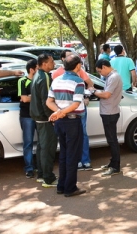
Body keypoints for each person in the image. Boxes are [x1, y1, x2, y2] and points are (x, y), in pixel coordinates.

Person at [46, 54, 87, 197]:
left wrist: (59, 112)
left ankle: (61, 186)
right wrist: (61, 112)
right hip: (72, 121)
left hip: (60, 122)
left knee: (64, 154)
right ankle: (70, 188)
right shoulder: (78, 81)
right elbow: (76, 104)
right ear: (78, 66)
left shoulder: (56, 80)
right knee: (72, 155)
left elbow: (49, 102)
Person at [52, 49, 94, 171]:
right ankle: (74, 165)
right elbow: (52, 98)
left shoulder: (80, 73)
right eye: (69, 56)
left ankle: (84, 160)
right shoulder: (56, 75)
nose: (72, 57)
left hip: (74, 113)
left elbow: (90, 84)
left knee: (82, 135)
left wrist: (86, 97)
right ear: (63, 59)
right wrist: (60, 112)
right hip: (66, 115)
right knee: (67, 144)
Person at [30, 54, 58, 187]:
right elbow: (46, 100)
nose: (54, 63)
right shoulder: (44, 77)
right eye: (52, 61)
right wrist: (52, 117)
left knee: (42, 147)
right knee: (48, 148)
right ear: (45, 63)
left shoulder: (37, 75)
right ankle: (48, 178)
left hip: (38, 117)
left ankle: (42, 175)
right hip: (45, 118)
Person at [92, 59, 123, 177]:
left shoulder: (114, 77)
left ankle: (115, 166)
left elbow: (106, 94)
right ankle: (113, 163)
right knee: (111, 140)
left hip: (110, 113)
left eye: (100, 71)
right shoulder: (111, 77)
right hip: (108, 112)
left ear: (104, 67)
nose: (100, 74)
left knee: (112, 140)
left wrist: (94, 91)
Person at [18, 59, 38, 178]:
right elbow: (24, 99)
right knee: (28, 143)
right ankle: (29, 168)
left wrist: (31, 97)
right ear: (31, 69)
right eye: (38, 68)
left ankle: (40, 166)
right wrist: (37, 97)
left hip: (39, 115)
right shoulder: (23, 81)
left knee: (42, 142)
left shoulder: (40, 80)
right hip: (27, 116)